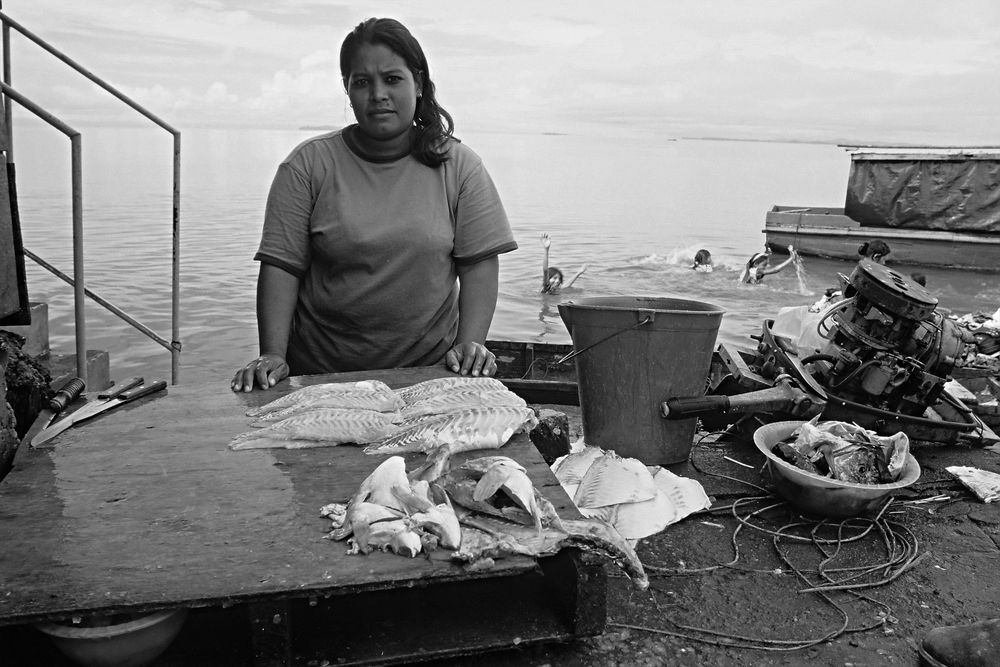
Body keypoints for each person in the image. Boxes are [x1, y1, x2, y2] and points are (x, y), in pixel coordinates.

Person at [232, 17, 517, 392]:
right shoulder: (307, 165)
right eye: (361, 82)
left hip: (428, 375)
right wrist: (272, 354)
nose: (378, 93)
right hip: (320, 379)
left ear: (419, 84)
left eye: (393, 79)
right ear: (347, 90)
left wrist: (471, 343)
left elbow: (478, 264)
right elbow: (281, 267)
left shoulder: (460, 167)